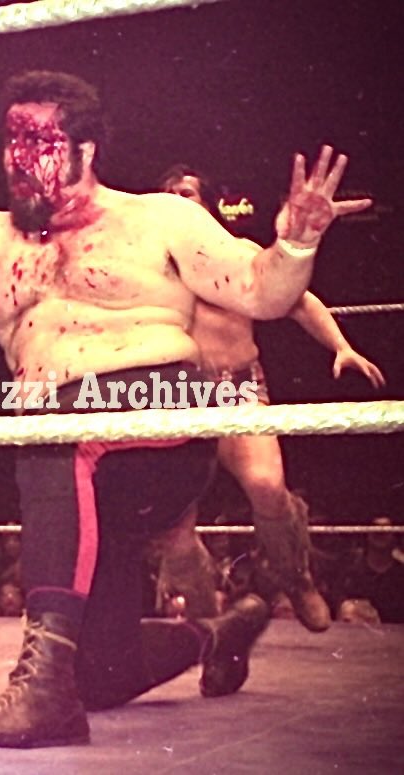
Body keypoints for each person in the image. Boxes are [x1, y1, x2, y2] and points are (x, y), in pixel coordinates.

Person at [0, 70, 371, 747]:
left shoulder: (159, 217)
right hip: (83, 474)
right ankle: (216, 631)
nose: (20, 159)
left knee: (52, 429)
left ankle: (38, 695)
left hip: (161, 425)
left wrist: (295, 243)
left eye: (41, 142)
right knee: (101, 673)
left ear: (88, 151)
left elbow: (261, 290)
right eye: (13, 142)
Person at [154, 166, 385, 628]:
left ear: (205, 202)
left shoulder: (237, 254)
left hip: (237, 386)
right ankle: (207, 622)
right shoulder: (148, 265)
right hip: (173, 395)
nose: (179, 198)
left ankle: (297, 578)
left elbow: (299, 299)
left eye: (187, 191)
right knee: (175, 535)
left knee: (266, 487)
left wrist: (340, 345)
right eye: (169, 194)